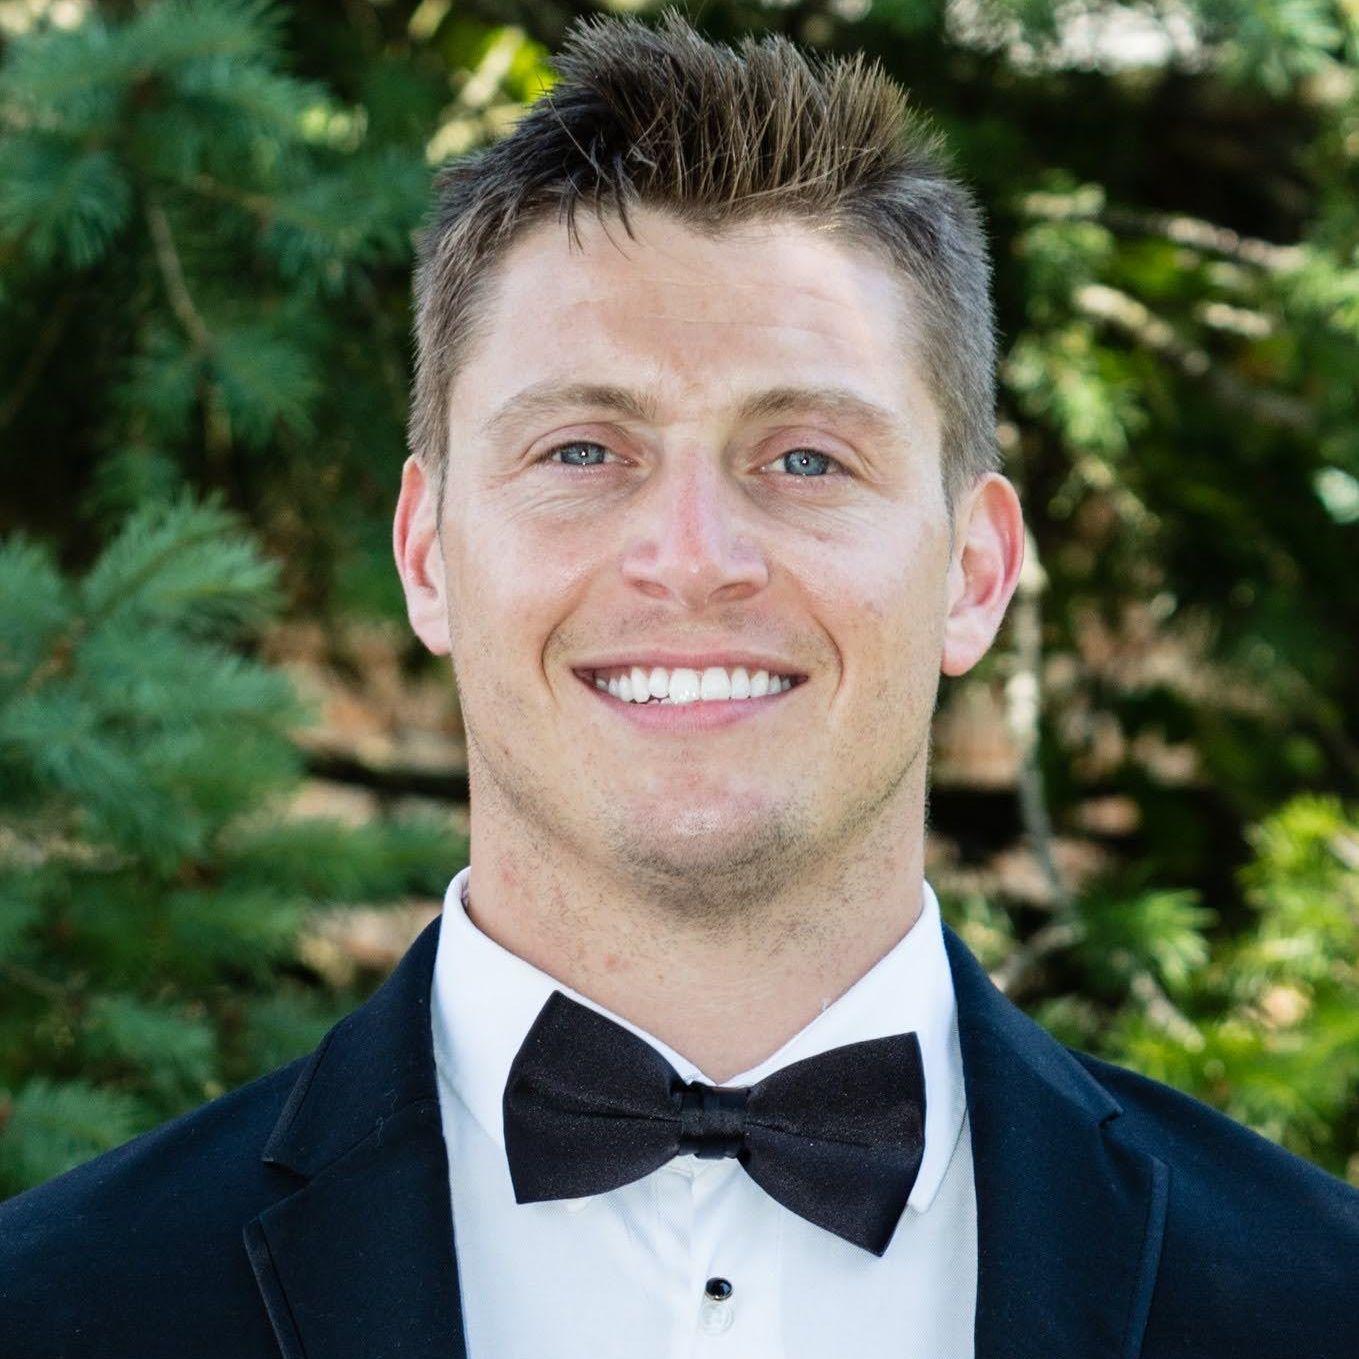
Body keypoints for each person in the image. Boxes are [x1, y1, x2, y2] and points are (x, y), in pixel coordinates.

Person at [2, 9, 1356, 1358]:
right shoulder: (55, 1306)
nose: (694, 560)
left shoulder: (1317, 1299)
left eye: (808, 458)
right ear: (427, 555)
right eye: (583, 451)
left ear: (975, 570)